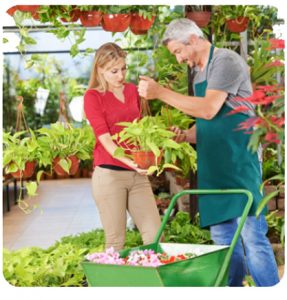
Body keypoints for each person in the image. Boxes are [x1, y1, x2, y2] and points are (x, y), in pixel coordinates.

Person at [138, 19, 279, 287]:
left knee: (252, 238)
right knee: (224, 242)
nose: (179, 59)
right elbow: (209, 122)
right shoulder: (199, 71)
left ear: (192, 39)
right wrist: (188, 135)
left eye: (179, 51)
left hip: (239, 161)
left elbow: (209, 109)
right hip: (214, 168)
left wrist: (160, 92)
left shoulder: (225, 61)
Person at [84, 42, 161, 251]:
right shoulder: (92, 97)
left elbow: (140, 128)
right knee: (116, 241)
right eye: (113, 71)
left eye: (123, 69)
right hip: (109, 175)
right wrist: (131, 162)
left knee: (155, 235)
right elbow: (105, 139)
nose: (121, 75)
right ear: (99, 70)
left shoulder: (131, 91)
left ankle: (152, 281)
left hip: (137, 174)